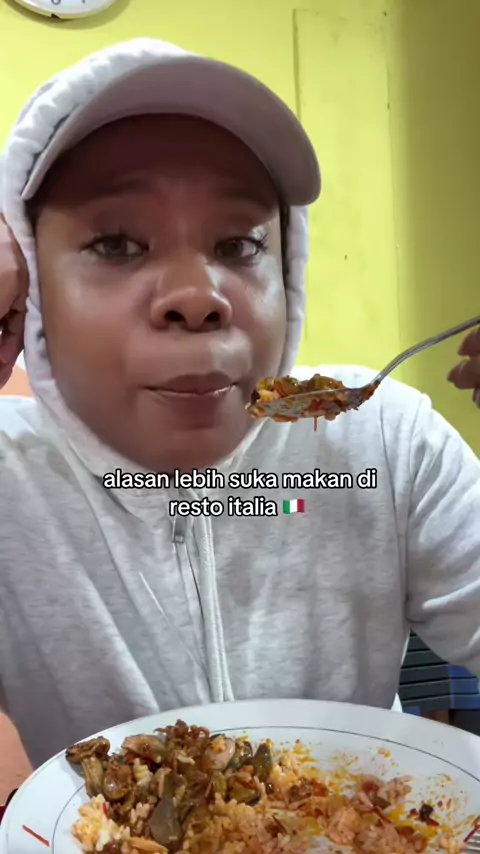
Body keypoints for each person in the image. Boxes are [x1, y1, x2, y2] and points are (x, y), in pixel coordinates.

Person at [0, 37, 479, 773]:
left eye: (239, 245)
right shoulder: (11, 482)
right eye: (117, 244)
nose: (198, 297)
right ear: (31, 287)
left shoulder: (382, 439)